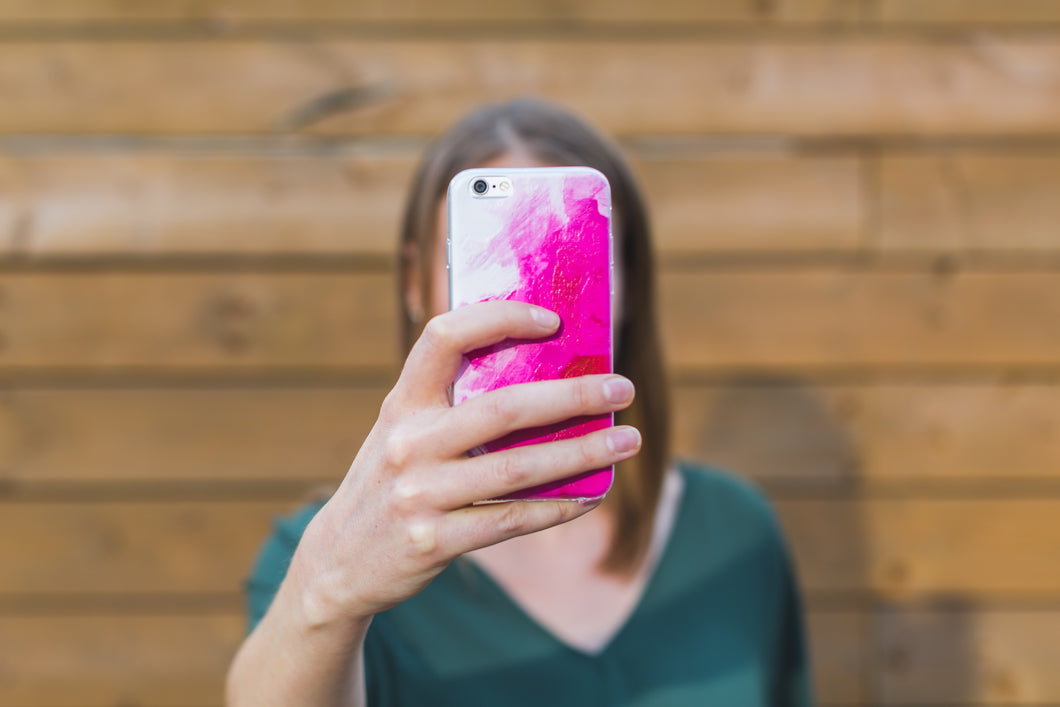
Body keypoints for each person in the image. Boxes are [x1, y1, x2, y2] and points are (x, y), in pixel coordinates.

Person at [226, 98, 812, 706]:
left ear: (630, 283)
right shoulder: (332, 556)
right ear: (414, 282)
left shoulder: (736, 530)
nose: (532, 309)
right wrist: (325, 598)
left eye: (572, 262)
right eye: (493, 263)